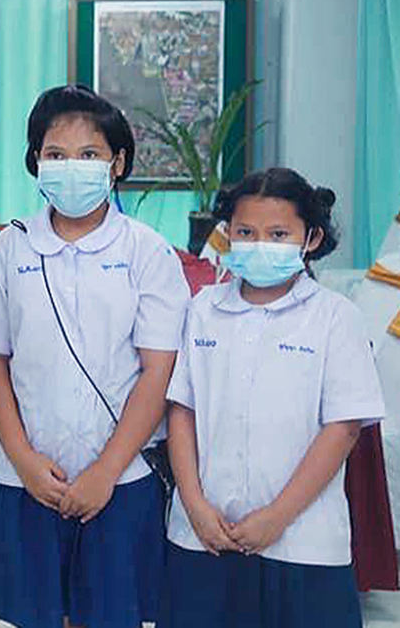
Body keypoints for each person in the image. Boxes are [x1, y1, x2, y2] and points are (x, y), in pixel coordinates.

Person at [0, 84, 190, 628]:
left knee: (110, 615)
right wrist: (23, 460)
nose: (71, 168)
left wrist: (106, 471)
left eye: (89, 154)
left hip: (123, 477)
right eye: (56, 154)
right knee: (40, 617)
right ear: (35, 161)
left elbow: (159, 371)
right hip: (31, 477)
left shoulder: (146, 251)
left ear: (117, 163)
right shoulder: (11, 248)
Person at [160, 168, 386, 628]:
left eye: (279, 234)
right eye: (246, 232)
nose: (260, 244)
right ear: (227, 234)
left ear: (311, 238)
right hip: (204, 535)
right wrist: (196, 506)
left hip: (302, 541)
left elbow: (343, 429)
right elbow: (181, 411)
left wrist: (276, 517)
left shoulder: (335, 317)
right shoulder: (202, 309)